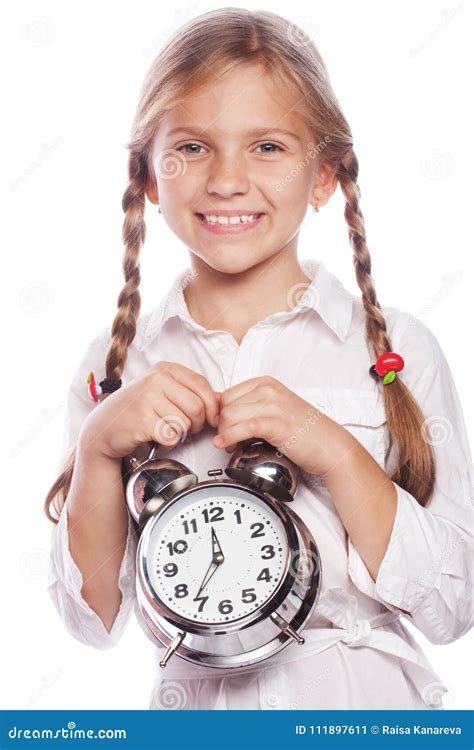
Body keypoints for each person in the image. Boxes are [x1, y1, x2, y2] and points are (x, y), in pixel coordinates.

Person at [44, 8, 473, 710]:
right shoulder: (116, 364)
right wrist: (96, 451)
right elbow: (87, 622)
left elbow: (455, 604)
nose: (227, 180)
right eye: (193, 147)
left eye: (268, 147)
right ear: (151, 177)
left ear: (325, 173)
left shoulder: (395, 352)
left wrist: (335, 451)